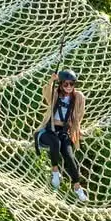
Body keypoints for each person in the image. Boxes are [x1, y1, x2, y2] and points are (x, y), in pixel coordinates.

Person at [37, 68, 87, 202]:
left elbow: (78, 116)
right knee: (56, 143)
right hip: (50, 129)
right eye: (66, 84)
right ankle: (55, 172)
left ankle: (77, 186)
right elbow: (46, 94)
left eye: (72, 84)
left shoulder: (78, 97)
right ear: (61, 84)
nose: (69, 87)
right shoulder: (55, 94)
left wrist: (77, 129)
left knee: (70, 156)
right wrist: (51, 81)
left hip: (64, 131)